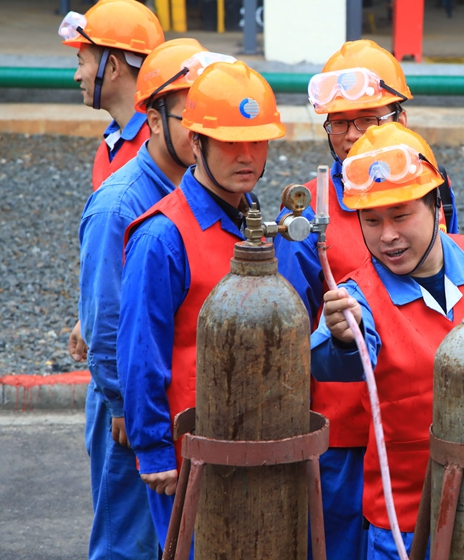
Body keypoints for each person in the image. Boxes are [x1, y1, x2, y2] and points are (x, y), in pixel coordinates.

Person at [311, 122, 464, 560]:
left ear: (436, 205)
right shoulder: (358, 296)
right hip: (405, 526)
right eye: (371, 220)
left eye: (400, 215)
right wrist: (344, 340)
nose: (387, 235)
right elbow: (327, 359)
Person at [273, 39, 459, 559]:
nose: (353, 134)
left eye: (368, 119)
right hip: (342, 435)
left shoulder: (428, 186)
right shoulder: (306, 215)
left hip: (416, 428)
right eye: (339, 122)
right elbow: (288, 331)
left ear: (401, 117)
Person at [117, 60, 285, 554]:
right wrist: (153, 449)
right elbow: (140, 352)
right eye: (230, 142)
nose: (247, 156)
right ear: (197, 143)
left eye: (257, 141)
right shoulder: (162, 237)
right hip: (190, 452)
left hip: (256, 440)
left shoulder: (255, 220)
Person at [76, 38, 209, 560]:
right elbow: (105, 322)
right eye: (190, 118)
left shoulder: (207, 187)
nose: (204, 131)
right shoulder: (119, 205)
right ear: (153, 120)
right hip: (130, 410)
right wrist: (124, 407)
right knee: (126, 545)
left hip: (174, 401)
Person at [62, 0, 164, 367]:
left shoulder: (159, 150)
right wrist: (88, 317)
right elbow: (109, 258)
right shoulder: (111, 145)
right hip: (115, 342)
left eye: (82, 62)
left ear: (114, 66)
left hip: (141, 353)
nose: (77, 76)